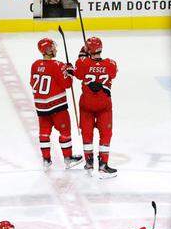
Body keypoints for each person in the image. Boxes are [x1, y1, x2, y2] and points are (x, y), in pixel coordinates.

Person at [31, 38, 82, 169]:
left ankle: (46, 160)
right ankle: (68, 158)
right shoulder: (58, 65)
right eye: (52, 47)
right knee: (65, 131)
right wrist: (70, 71)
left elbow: (32, 83)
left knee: (44, 133)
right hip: (57, 106)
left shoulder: (35, 64)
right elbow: (67, 84)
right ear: (47, 50)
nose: (55, 49)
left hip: (41, 106)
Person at [73, 37, 118, 178]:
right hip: (104, 105)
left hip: (86, 105)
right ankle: (103, 165)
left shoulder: (83, 63)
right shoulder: (110, 64)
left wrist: (82, 55)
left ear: (88, 50)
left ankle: (89, 163)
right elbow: (113, 74)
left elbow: (78, 74)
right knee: (105, 135)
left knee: (87, 134)